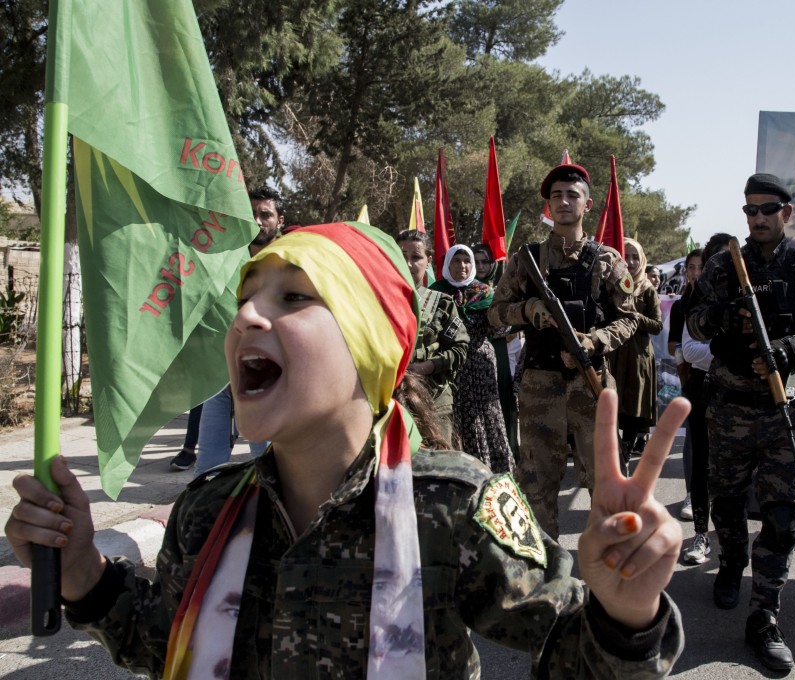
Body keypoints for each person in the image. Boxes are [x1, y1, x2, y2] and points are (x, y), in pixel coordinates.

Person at [6, 220, 687, 678]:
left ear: (370, 345)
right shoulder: (205, 512)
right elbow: (166, 644)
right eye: (246, 298)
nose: (246, 315)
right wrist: (82, 575)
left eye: (293, 297)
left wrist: (626, 611)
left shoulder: (452, 507)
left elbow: (574, 655)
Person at [687, 173, 795, 672]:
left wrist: (793, 347)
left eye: (767, 209)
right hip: (730, 407)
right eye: (750, 210)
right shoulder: (720, 266)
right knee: (728, 504)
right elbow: (692, 324)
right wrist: (724, 316)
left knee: (780, 515)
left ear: (787, 213)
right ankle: (732, 563)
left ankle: (766, 615)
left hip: (784, 410)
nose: (757, 218)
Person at [489, 162, 638, 539]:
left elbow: (629, 320)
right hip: (541, 386)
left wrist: (593, 341)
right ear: (548, 206)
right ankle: (544, 574)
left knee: (604, 484)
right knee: (537, 486)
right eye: (556, 196)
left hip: (591, 387)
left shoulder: (607, 261)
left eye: (573, 195)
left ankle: (606, 573)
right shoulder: (527, 260)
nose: (563, 201)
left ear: (588, 205)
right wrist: (528, 310)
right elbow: (495, 313)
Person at [170, 184, 283, 472]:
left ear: (279, 220)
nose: (257, 220)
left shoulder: (291, 260)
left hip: (269, 375)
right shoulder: (225, 258)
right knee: (208, 467)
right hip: (222, 372)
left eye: (265, 214)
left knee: (266, 460)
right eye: (251, 213)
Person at [431, 244, 515, 474]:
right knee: (453, 419)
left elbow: (500, 330)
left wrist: (504, 314)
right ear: (447, 265)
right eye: (456, 261)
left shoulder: (485, 293)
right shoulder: (435, 293)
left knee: (485, 418)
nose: (462, 266)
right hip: (447, 368)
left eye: (466, 261)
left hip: (480, 367)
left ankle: (491, 473)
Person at [678, 234, 733, 566]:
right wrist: (728, 353)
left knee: (734, 474)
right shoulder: (698, 297)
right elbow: (690, 350)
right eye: (719, 259)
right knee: (701, 466)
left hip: (739, 396)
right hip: (703, 390)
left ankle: (729, 543)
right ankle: (701, 534)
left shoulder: (750, 295)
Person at [396, 229, 469, 446]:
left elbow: (460, 349)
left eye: (416, 257)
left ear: (428, 261)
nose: (408, 263)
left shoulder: (441, 303)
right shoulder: (378, 301)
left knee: (438, 464)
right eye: (401, 256)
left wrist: (426, 367)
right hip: (392, 401)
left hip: (433, 399)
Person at [610, 238, 663, 462]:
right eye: (625, 256)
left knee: (633, 406)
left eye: (634, 257)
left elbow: (657, 325)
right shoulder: (610, 284)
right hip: (613, 353)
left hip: (637, 357)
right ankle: (612, 454)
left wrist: (635, 316)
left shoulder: (647, 288)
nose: (630, 262)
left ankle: (626, 454)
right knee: (611, 406)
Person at [472, 242, 521, 460]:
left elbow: (521, 314)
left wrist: (510, 328)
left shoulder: (503, 287)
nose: (480, 266)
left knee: (502, 402)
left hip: (499, 352)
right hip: (473, 355)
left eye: (485, 261)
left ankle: (509, 454)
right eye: (476, 261)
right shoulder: (463, 288)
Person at [667, 248, 704, 521]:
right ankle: (693, 493)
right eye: (691, 267)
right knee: (694, 437)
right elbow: (672, 344)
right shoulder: (681, 305)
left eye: (700, 267)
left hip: (725, 380)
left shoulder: (722, 300)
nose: (695, 273)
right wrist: (687, 356)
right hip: (693, 379)